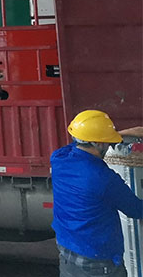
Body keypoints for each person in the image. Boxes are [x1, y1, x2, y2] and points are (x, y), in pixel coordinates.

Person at [51, 110, 143, 277]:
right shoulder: (103, 178)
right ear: (99, 143)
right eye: (107, 142)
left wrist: (118, 134)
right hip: (98, 264)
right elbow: (136, 210)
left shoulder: (59, 158)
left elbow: (81, 141)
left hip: (67, 254)